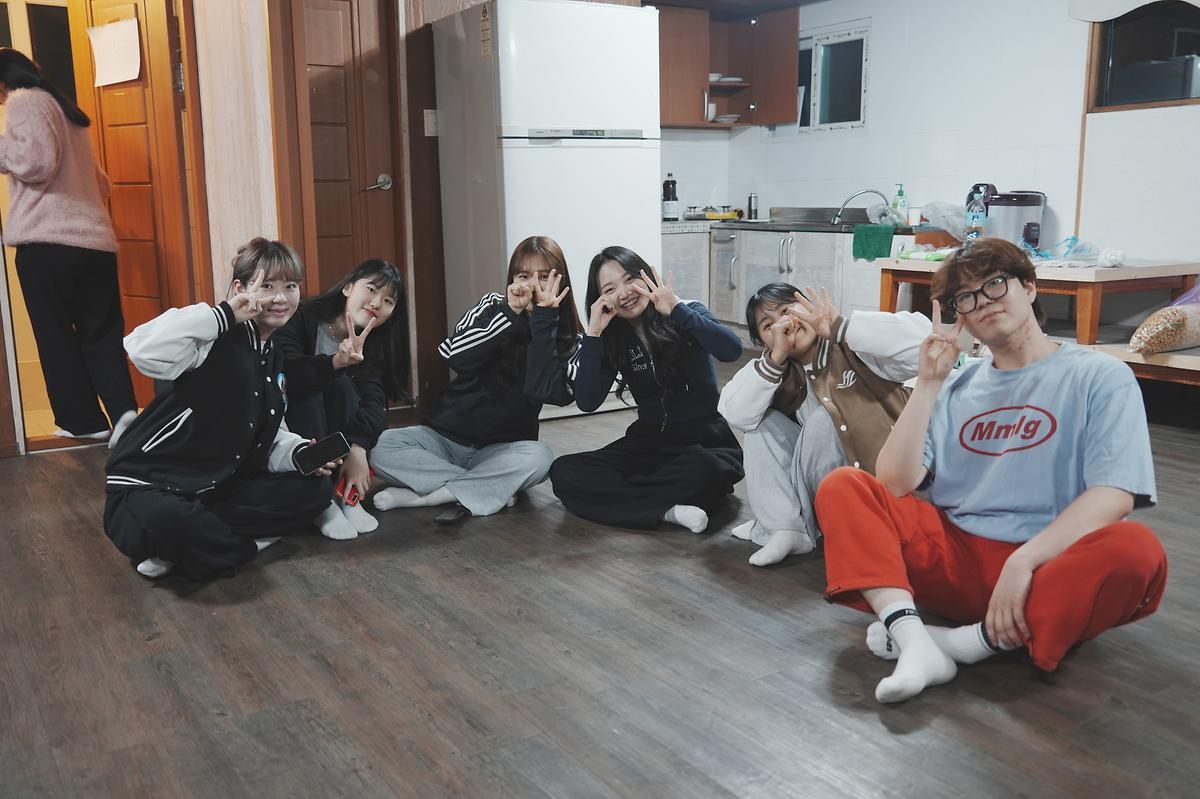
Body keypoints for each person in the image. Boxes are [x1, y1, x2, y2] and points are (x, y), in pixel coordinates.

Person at [814, 238, 1167, 704]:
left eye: (995, 284)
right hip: (955, 560)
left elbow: (1115, 494)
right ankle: (917, 642)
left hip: (1046, 567)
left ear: (1030, 287)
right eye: (966, 297)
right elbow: (893, 482)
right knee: (843, 485)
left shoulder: (1100, 376)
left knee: (1137, 549)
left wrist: (1024, 561)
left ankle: (960, 644)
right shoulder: (954, 385)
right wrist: (928, 383)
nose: (982, 302)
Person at [103, 238, 343, 580]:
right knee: (168, 519)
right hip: (149, 485)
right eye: (268, 286)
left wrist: (300, 452)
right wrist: (225, 313)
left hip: (215, 488)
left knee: (315, 490)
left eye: (290, 286)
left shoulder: (273, 356)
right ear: (240, 288)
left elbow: (269, 434)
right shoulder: (212, 335)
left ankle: (193, 548)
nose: (281, 298)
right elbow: (140, 348)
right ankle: (242, 546)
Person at [369, 235, 580, 524]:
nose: (532, 285)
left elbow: (552, 393)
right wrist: (510, 313)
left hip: (502, 449)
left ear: (561, 281)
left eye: (544, 277)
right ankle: (486, 487)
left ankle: (432, 495)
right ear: (512, 278)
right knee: (379, 445)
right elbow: (454, 355)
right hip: (442, 438)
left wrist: (544, 321)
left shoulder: (569, 337)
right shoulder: (492, 305)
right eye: (523, 275)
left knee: (540, 458)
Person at [718, 283, 928, 566]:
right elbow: (736, 414)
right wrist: (775, 358)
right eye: (769, 325)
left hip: (885, 487)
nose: (784, 324)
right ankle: (787, 529)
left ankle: (831, 526)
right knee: (761, 427)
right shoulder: (777, 368)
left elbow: (926, 340)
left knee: (822, 420)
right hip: (825, 493)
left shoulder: (856, 346)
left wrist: (842, 326)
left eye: (787, 310)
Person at [550, 245, 744, 533]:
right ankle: (668, 511)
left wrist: (676, 310)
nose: (624, 293)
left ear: (645, 276)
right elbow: (588, 401)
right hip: (649, 443)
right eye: (610, 289)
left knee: (704, 470)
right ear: (601, 298)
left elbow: (732, 349)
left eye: (629, 279)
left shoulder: (686, 311)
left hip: (704, 442)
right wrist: (594, 333)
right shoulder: (613, 336)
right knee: (564, 471)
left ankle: (632, 499)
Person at [0, 48, 137, 444]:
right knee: (103, 334)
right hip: (95, 243)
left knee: (55, 335)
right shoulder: (67, 111)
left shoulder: (24, 101)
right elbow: (102, 184)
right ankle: (125, 412)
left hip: (47, 243)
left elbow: (34, 165)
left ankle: (84, 422)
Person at [274, 259, 409, 538]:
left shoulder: (375, 343)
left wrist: (358, 447)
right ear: (348, 288)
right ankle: (320, 501)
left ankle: (345, 496)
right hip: (292, 421)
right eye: (371, 289)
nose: (376, 303)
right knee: (320, 387)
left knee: (344, 388)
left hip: (336, 437)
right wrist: (336, 362)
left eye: (388, 301)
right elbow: (289, 372)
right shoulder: (303, 315)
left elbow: (375, 404)